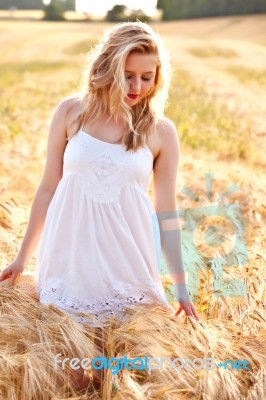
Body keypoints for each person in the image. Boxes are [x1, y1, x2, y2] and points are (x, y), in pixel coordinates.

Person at [0, 21, 199, 392]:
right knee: (72, 378)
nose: (137, 88)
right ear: (107, 66)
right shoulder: (71, 113)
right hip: (70, 258)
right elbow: (47, 188)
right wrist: (22, 257)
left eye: (146, 77)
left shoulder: (161, 132)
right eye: (127, 76)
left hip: (126, 262)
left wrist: (181, 287)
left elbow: (167, 215)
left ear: (158, 77)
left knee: (113, 379)